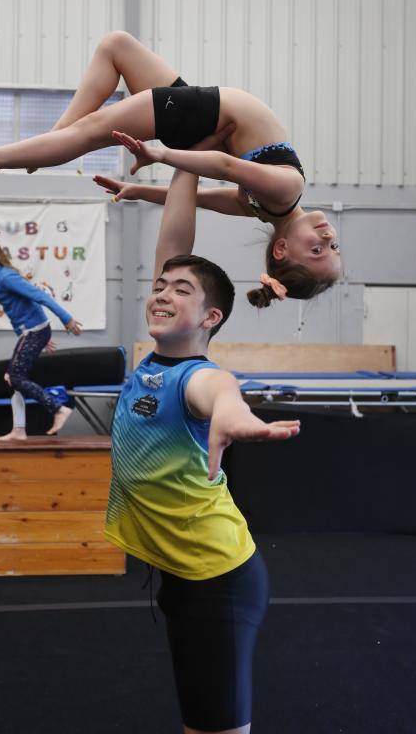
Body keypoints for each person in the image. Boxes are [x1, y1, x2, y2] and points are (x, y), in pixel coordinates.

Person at [104, 132, 301, 733]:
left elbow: (222, 396)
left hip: (219, 580)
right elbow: (175, 239)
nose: (162, 293)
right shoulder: (154, 359)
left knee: (219, 727)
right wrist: (183, 150)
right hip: (187, 575)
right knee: (200, 719)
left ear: (211, 318)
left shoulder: (196, 376)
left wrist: (236, 419)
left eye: (181, 292)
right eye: (159, 287)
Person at [0, 31, 340, 304]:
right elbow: (210, 180)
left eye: (318, 250)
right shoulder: (279, 197)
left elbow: (217, 168)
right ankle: (50, 143)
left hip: (206, 117)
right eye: (333, 246)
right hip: (204, 118)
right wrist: (150, 177)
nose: (328, 235)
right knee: (117, 47)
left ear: (282, 249)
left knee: (94, 128)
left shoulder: (278, 198)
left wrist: (159, 160)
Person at [0, 242, 81, 440]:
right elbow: (24, 307)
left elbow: (38, 296)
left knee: (16, 377)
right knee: (12, 378)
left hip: (34, 331)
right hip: (33, 332)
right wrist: (42, 337)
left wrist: (66, 318)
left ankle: (58, 409)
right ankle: (19, 430)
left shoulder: (5, 278)